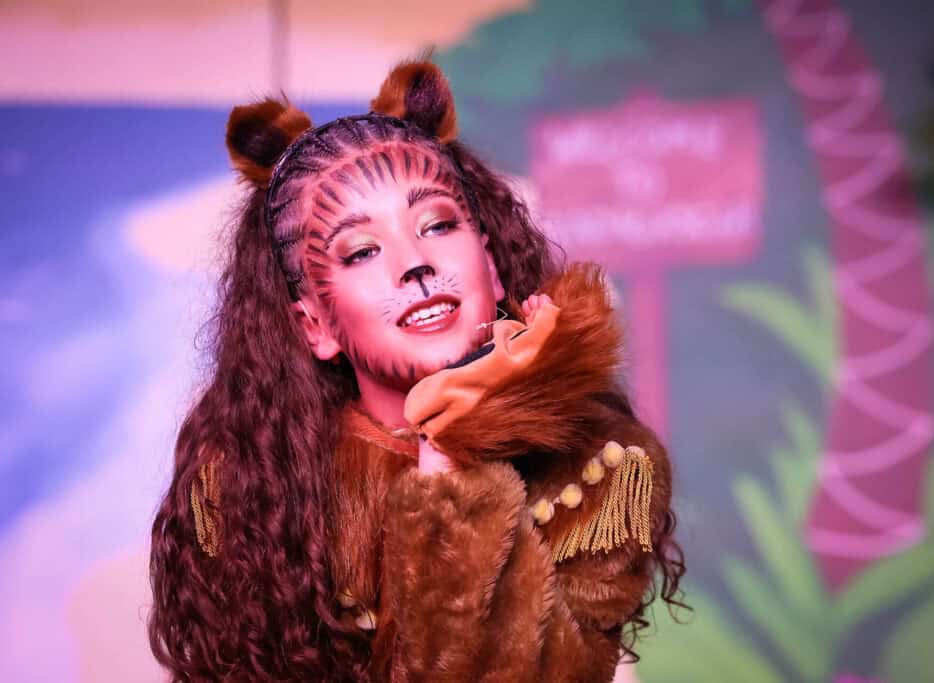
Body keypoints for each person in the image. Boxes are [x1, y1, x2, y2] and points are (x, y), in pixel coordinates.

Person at [148, 59, 686, 682]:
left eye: (437, 224)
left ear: (491, 264)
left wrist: (458, 465)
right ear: (314, 326)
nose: (415, 264)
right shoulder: (245, 489)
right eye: (363, 251)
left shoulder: (604, 464)